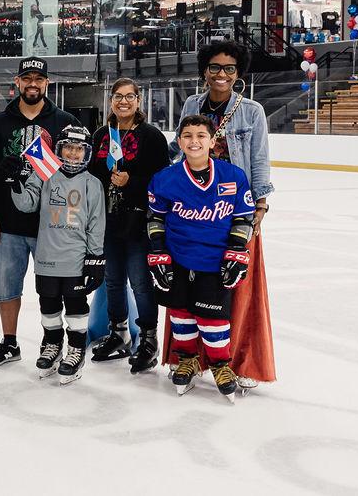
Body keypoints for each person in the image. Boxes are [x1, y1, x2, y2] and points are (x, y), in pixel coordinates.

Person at [167, 41, 275, 389]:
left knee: (236, 288)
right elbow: (178, 147)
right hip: (193, 211)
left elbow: (258, 160)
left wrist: (258, 206)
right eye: (215, 67)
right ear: (204, 70)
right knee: (187, 286)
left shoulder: (251, 111)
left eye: (229, 69)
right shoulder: (191, 105)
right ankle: (187, 359)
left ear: (238, 73)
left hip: (233, 210)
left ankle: (238, 361)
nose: (221, 75)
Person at [0, 56, 79, 366]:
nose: (33, 83)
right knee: (7, 287)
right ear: (17, 82)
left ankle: (55, 341)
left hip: (51, 225)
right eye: (27, 78)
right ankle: (10, 343)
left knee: (54, 288)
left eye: (39, 78)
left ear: (46, 83)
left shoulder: (65, 122)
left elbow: (77, 170)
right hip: (8, 224)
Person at [148, 116, 255, 401]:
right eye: (187, 135)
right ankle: (187, 359)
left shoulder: (233, 176)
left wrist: (237, 250)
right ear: (180, 141)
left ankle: (221, 365)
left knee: (213, 318)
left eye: (200, 135)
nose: (194, 141)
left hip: (215, 261)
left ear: (212, 140)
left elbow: (243, 217)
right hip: (179, 258)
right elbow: (155, 217)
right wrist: (158, 251)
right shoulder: (164, 179)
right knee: (181, 314)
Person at [10, 125, 105, 385]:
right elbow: (26, 204)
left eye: (79, 149)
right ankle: (51, 346)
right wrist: (16, 180)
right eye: (68, 148)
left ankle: (75, 349)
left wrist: (95, 259)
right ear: (58, 149)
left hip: (75, 259)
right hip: (47, 258)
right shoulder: (44, 173)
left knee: (75, 306)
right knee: (48, 305)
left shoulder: (92, 183)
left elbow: (96, 223)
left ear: (86, 153)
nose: (73, 154)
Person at [88, 79, 170, 374]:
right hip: (106, 222)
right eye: (118, 96)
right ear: (110, 100)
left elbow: (163, 182)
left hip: (137, 221)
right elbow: (91, 176)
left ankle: (149, 339)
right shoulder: (101, 135)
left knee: (140, 282)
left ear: (139, 100)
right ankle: (118, 332)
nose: (123, 101)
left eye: (129, 96)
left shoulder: (151, 136)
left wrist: (132, 183)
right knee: (112, 281)